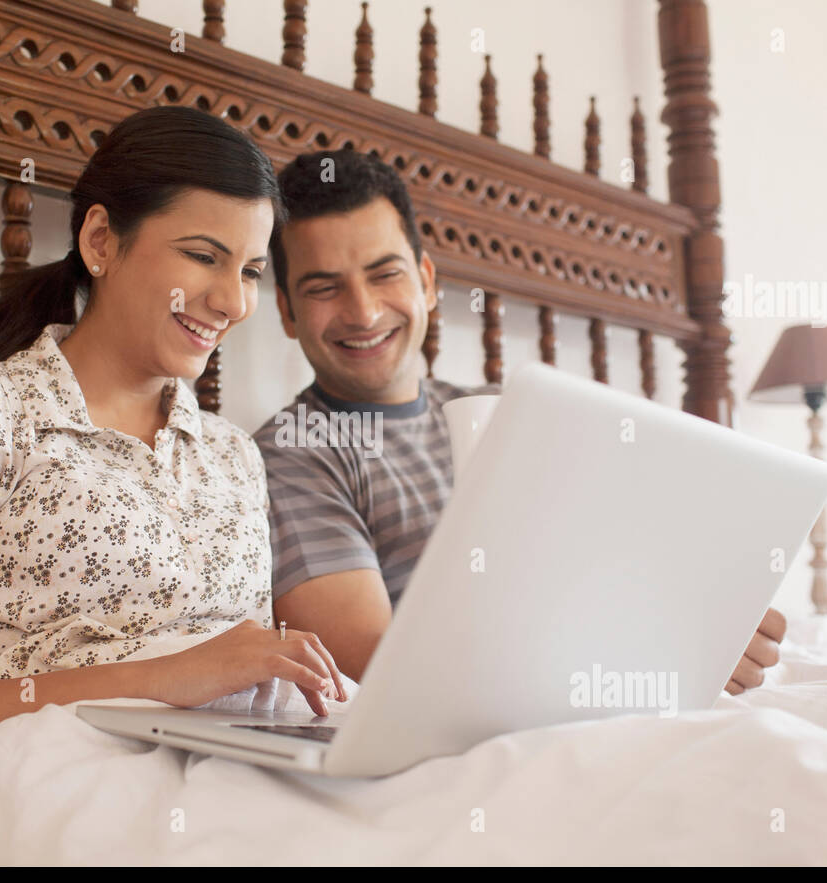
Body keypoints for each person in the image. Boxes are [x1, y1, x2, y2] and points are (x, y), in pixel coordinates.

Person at [0, 107, 346, 790]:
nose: (232, 301)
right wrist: (159, 681)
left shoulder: (232, 458)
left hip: (242, 789)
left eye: (250, 269)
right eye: (201, 256)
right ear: (101, 239)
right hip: (55, 795)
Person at [255, 148, 786, 688]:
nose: (363, 312)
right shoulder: (291, 454)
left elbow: (621, 561)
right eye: (323, 287)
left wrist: (703, 616)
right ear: (287, 311)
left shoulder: (513, 411)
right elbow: (374, 666)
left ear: (427, 280)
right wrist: (654, 649)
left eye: (384, 273)